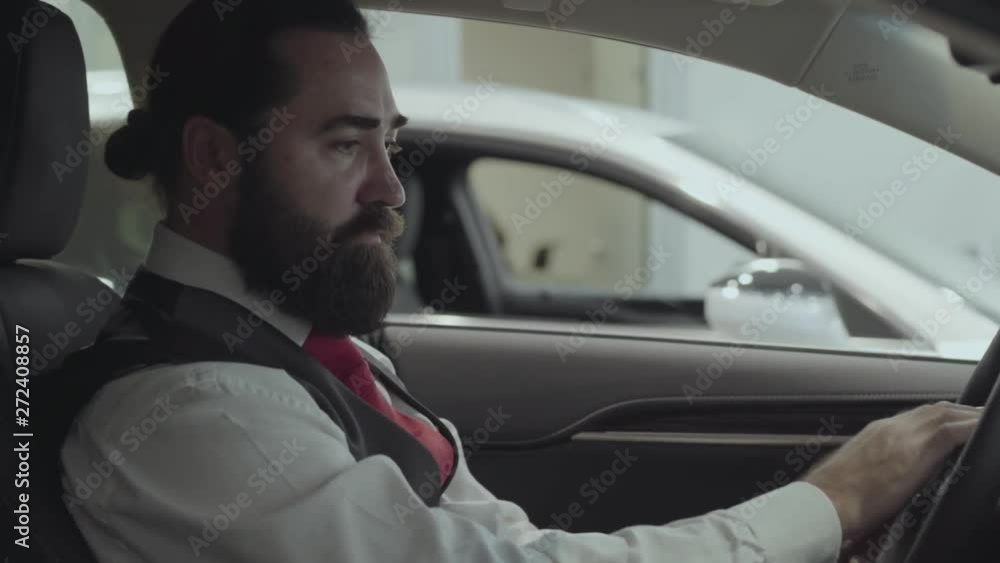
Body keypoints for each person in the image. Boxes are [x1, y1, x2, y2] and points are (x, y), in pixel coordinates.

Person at [59, 0, 982, 561]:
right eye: (344, 145)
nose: (390, 189)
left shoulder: (301, 352)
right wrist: (833, 501)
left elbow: (511, 544)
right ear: (214, 157)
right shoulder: (189, 411)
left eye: (389, 144)